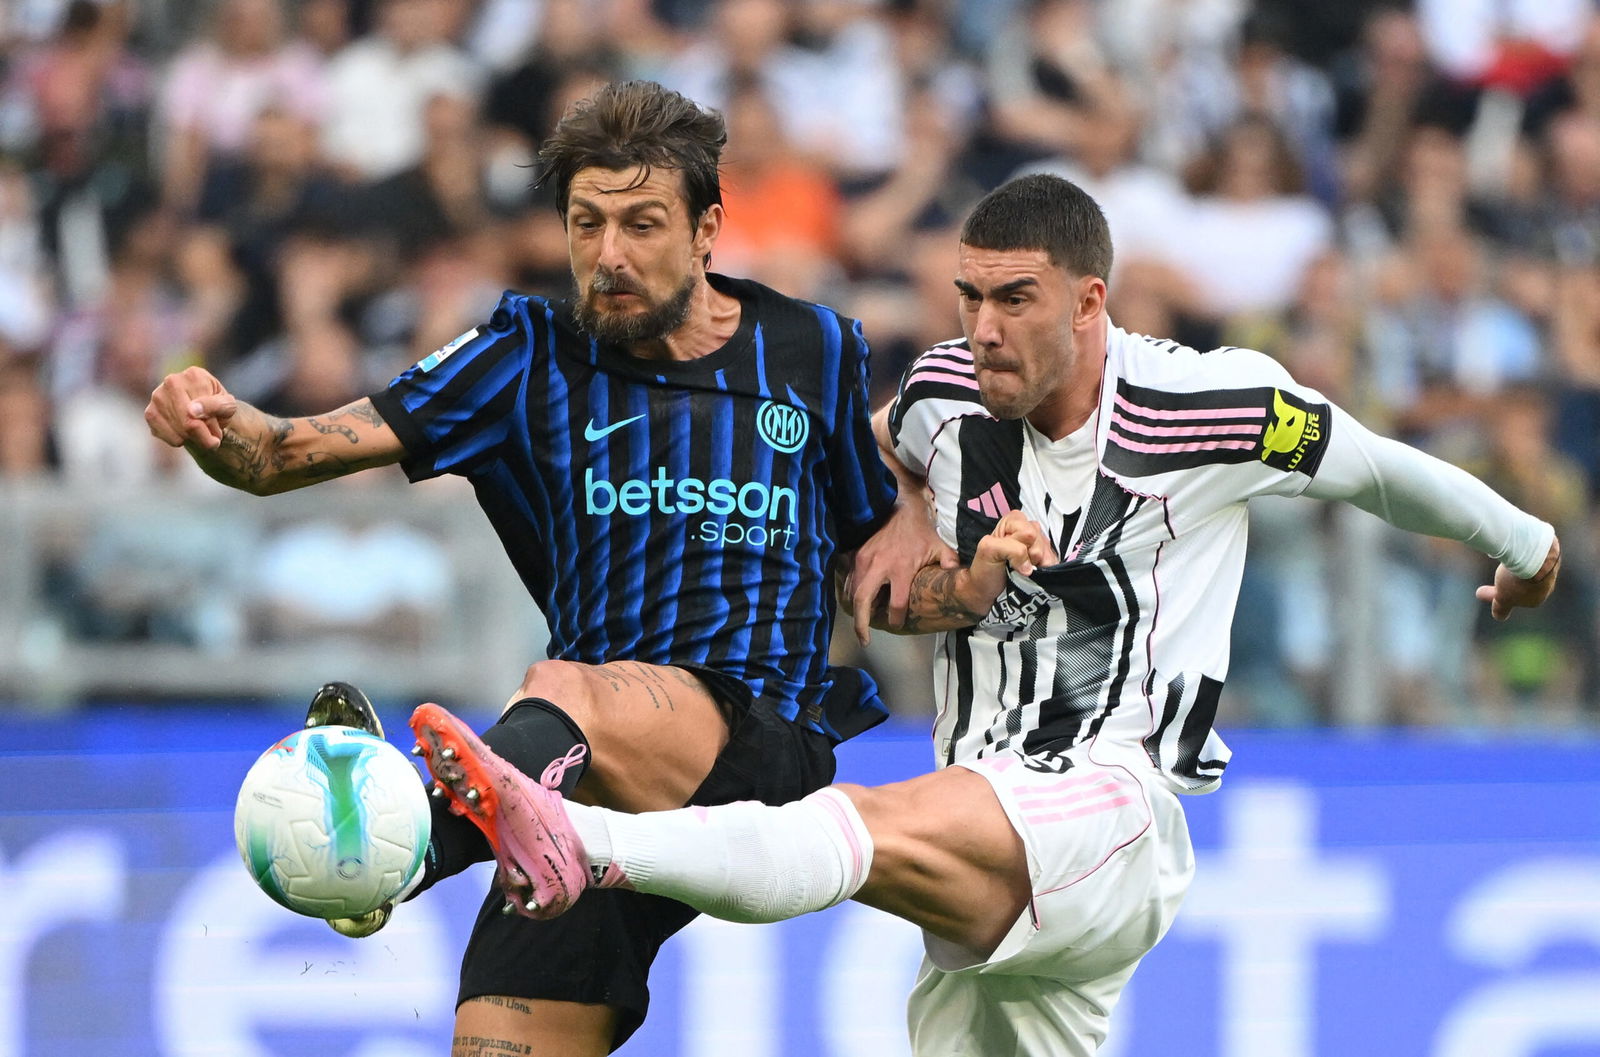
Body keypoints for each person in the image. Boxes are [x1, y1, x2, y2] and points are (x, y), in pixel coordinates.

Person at [404, 173, 1563, 1056]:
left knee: (861, 824)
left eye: (1015, 299)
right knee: (893, 844)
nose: (984, 325)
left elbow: (1379, 471)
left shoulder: (1213, 405)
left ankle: (581, 843)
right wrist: (905, 512)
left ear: (1089, 301)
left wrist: (1528, 547)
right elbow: (868, 482)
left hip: (1109, 806)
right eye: (968, 296)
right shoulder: (945, 396)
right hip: (994, 834)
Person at [145, 80, 939, 1056]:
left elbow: (881, 579)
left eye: (643, 223)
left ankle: (390, 852)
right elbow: (277, 455)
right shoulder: (523, 354)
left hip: (758, 743)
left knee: (567, 690)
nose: (609, 253)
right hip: (569, 789)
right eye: (586, 223)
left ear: (706, 229)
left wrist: (956, 569)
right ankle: (419, 842)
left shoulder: (810, 346)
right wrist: (214, 421)